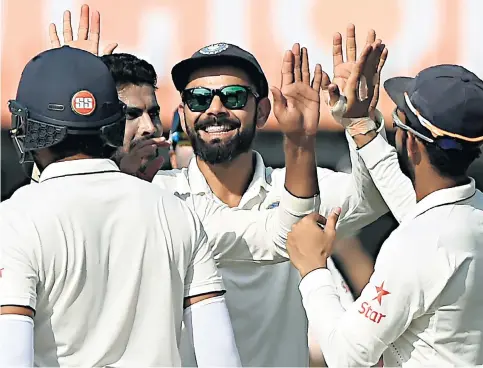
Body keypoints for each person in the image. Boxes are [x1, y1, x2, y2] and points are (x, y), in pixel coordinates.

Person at [0, 45, 297, 367]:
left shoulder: (15, 219)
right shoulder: (176, 211)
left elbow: (11, 354)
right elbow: (219, 355)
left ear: (29, 128)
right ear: (113, 123)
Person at [152, 38, 389, 366]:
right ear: (183, 113)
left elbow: (377, 196)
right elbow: (287, 229)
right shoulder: (159, 196)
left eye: (234, 96)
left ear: (262, 111)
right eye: (198, 98)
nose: (215, 109)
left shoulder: (296, 185)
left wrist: (360, 121)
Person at [286, 64, 483, 367]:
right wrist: (359, 125)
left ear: (412, 143)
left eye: (398, 124)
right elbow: (419, 214)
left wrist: (313, 269)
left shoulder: (415, 244)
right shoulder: (469, 213)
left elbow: (347, 356)